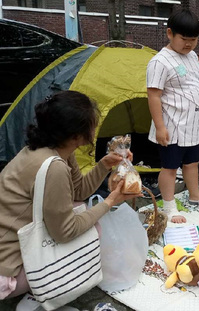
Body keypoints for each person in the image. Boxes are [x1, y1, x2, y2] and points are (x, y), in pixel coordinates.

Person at [0, 91, 141, 305]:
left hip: (10, 242)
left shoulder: (52, 148)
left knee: (80, 207)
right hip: (5, 271)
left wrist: (104, 165)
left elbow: (79, 192)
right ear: (77, 135)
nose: (95, 129)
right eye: (93, 124)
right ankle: (40, 294)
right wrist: (110, 201)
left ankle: (37, 288)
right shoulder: (53, 167)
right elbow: (65, 232)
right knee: (94, 228)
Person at [147, 9, 199, 223]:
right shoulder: (160, 61)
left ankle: (195, 195)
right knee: (170, 168)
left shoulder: (192, 56)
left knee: (192, 163)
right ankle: (169, 207)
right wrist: (160, 127)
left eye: (194, 39)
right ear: (170, 33)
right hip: (172, 126)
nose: (189, 44)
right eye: (184, 39)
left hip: (192, 125)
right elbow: (153, 96)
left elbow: (195, 83)